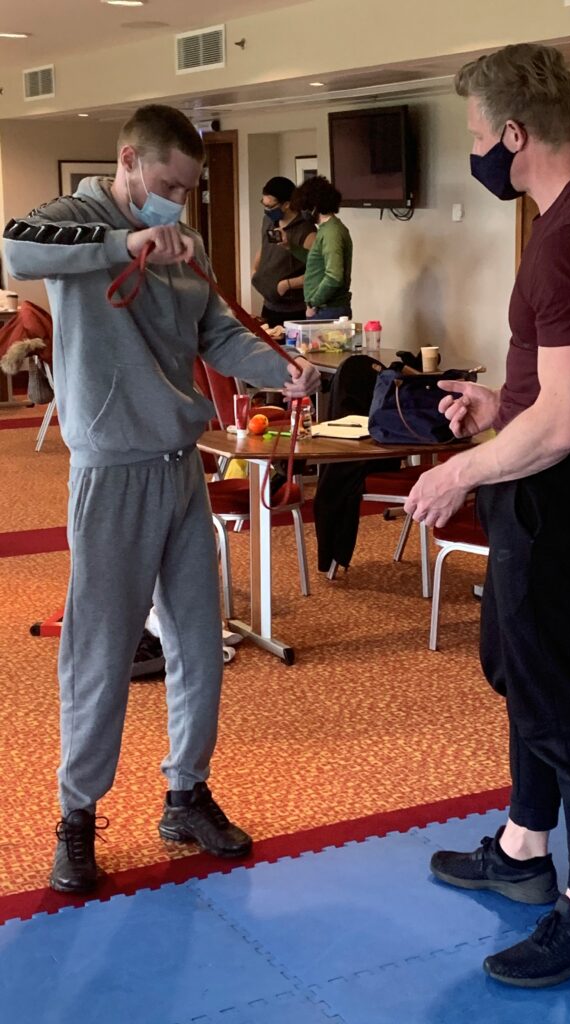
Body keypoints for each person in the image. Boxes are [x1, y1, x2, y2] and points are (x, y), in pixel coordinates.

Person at [3, 104, 320, 894]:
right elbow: (15, 248)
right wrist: (124, 244)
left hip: (181, 468)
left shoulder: (188, 247)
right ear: (129, 162)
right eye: (169, 186)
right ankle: (77, 817)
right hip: (112, 472)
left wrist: (278, 368)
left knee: (198, 645)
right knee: (100, 655)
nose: (178, 202)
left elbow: (217, 332)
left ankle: (185, 795)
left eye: (188, 189)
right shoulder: (76, 219)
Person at [404, 44, 570, 988]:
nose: (475, 151)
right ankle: (522, 848)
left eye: (478, 135)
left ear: (514, 134)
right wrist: (495, 405)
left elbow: (569, 420)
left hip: (559, 499)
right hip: (555, 490)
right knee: (523, 674)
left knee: (567, 705)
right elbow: (552, 395)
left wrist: (459, 472)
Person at [251, 175, 316, 329]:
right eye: (264, 204)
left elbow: (317, 272)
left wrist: (286, 285)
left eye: (270, 206)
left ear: (286, 204)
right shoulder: (268, 221)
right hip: (269, 304)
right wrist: (255, 270)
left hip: (293, 310)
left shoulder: (307, 231)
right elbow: (264, 246)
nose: (267, 210)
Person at [289, 175, 353, 320]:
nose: (302, 213)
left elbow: (334, 277)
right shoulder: (327, 230)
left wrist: (313, 303)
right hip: (325, 309)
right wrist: (290, 247)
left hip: (327, 310)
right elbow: (317, 262)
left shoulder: (331, 233)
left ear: (314, 207)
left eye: (304, 208)